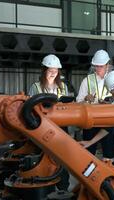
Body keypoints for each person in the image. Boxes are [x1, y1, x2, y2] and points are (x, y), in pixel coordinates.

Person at [28, 54, 70, 191]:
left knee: (63, 158)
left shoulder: (63, 86)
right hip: (43, 129)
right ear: (44, 70)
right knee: (44, 159)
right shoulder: (35, 87)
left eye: (56, 71)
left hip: (61, 128)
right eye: (50, 70)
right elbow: (28, 108)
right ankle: (47, 188)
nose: (53, 73)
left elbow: (68, 107)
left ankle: (63, 187)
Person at [76, 50, 114, 162]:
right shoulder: (87, 81)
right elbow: (78, 103)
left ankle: (110, 176)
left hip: (108, 121)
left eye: (101, 66)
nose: (98, 69)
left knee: (109, 154)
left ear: (107, 65)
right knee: (88, 154)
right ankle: (87, 177)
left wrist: (109, 104)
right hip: (90, 121)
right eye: (96, 66)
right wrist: (85, 99)